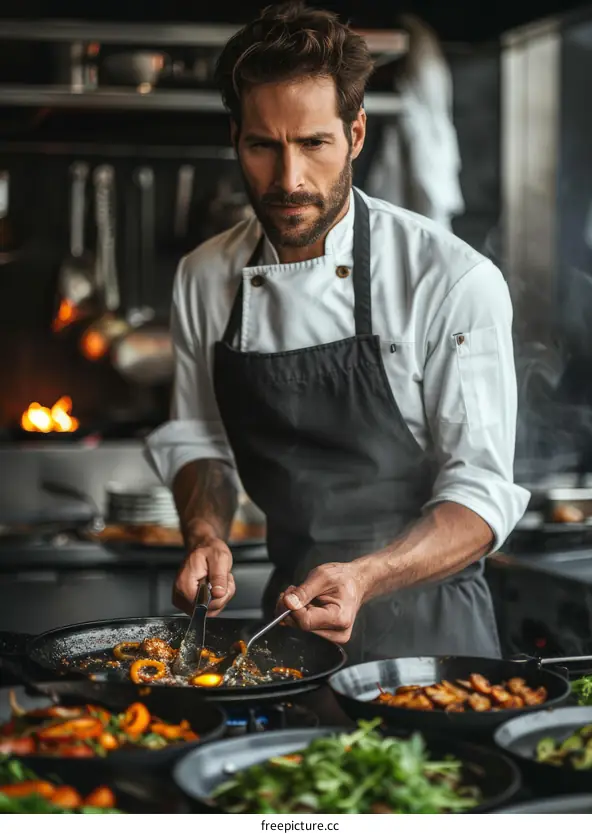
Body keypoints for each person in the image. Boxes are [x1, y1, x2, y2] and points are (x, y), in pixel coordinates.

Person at [145, 1, 530, 663]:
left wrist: (366, 576)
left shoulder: (450, 280)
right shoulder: (205, 276)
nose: (289, 179)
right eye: (263, 146)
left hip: (433, 647)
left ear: (354, 135)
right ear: (235, 137)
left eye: (314, 143)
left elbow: (481, 494)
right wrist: (205, 535)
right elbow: (199, 436)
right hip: (284, 641)